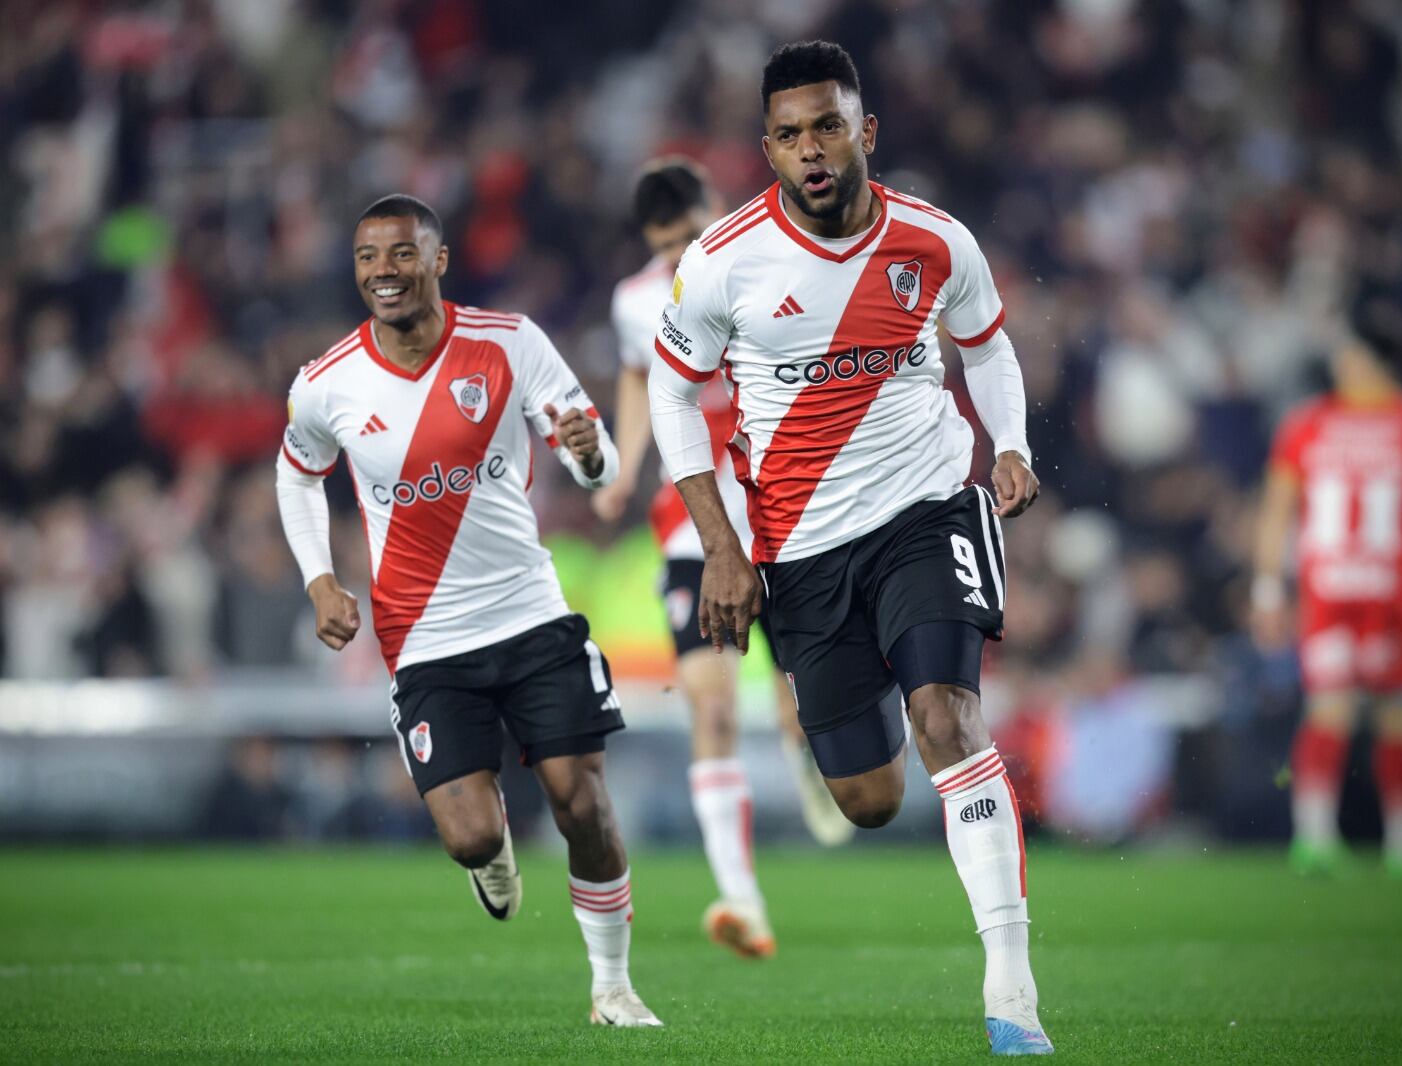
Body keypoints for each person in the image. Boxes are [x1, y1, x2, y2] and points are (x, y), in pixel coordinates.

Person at [646, 42, 1051, 1056]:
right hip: (798, 549)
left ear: (864, 131)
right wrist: (721, 547)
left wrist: (1008, 444)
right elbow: (670, 393)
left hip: (927, 509)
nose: (810, 149)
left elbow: (987, 345)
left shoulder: (934, 241)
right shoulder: (724, 261)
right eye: (788, 134)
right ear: (768, 148)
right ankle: (838, 708)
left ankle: (1012, 995)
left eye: (827, 126)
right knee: (868, 800)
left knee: (947, 718)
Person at [275, 194, 661, 1027]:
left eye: (403, 254)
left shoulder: (510, 342)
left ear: (439, 260)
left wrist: (594, 458)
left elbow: (593, 458)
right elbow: (297, 474)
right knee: (471, 837)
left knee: (583, 800)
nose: (384, 272)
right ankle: (492, 863)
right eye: (368, 258)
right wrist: (318, 578)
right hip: (424, 640)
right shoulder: (327, 383)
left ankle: (613, 987)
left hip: (530, 615)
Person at [595, 157, 856, 960]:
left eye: (690, 235)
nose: (680, 256)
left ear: (717, 210)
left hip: (783, 515)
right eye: (665, 244)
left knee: (797, 705)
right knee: (708, 706)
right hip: (693, 523)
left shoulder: (768, 262)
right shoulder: (637, 302)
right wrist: (624, 464)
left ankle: (807, 743)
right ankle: (741, 899)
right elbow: (641, 379)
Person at [1252, 305, 1402, 877]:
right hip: (1388, 589)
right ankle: (1399, 847)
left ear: (1365, 355)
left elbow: (1276, 514)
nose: (1337, 359)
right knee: (1389, 714)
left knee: (1343, 710)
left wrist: (1266, 589)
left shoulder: (1307, 424)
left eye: (1345, 348)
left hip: (1334, 587)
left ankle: (1319, 838)